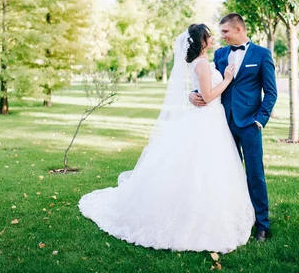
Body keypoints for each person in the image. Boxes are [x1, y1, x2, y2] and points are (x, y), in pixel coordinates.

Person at [79, 23, 255, 253]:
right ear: (201, 42)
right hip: (207, 119)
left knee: (210, 169)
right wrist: (228, 79)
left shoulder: (202, 62)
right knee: (200, 169)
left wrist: (194, 93)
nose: (213, 40)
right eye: (209, 37)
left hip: (212, 120)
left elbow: (200, 91)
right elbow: (209, 96)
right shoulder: (201, 64)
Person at [189, 13, 277, 242]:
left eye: (226, 32)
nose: (222, 37)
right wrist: (191, 94)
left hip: (249, 124)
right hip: (222, 123)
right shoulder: (219, 55)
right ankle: (234, 219)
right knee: (228, 174)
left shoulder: (262, 55)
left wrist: (260, 120)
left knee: (255, 174)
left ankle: (262, 225)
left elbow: (271, 92)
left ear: (239, 29)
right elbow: (208, 83)